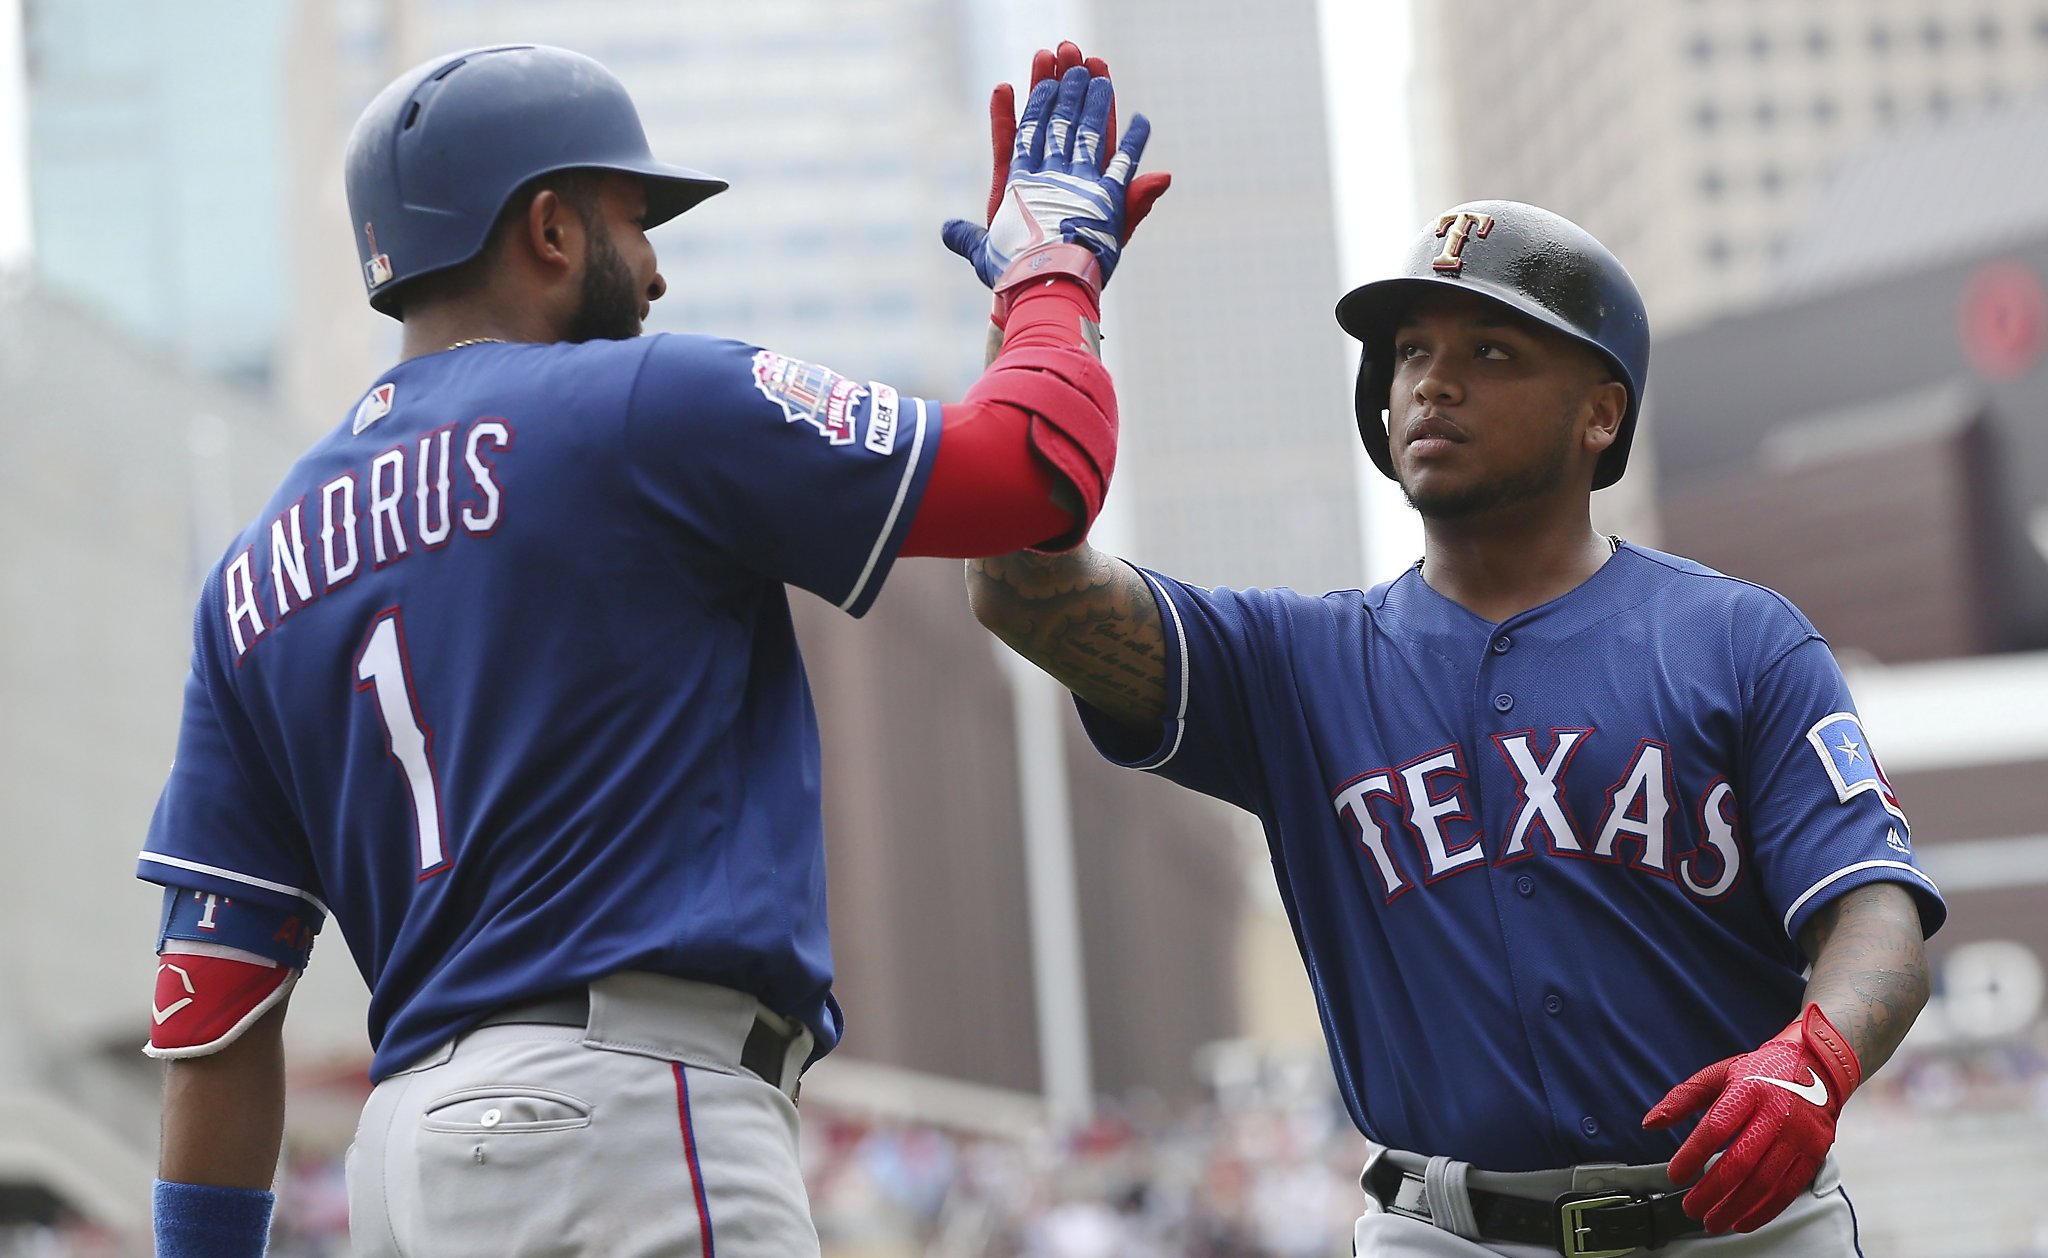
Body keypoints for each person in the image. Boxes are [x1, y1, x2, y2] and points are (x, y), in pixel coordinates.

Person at [137, 43, 1158, 1258]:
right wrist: (1049, 276)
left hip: (401, 1169)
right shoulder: (636, 405)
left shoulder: (252, 572)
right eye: (635, 221)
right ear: (553, 230)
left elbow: (216, 1007)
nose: (659, 270)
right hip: (624, 1117)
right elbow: (1037, 465)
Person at [963, 198, 1945, 1256]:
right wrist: (1042, 301)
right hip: (1444, 1233)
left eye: (1488, 348)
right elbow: (1022, 585)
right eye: (1408, 353)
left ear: (1598, 413)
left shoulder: (1738, 638)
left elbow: (1874, 915)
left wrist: (1813, 1058)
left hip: (1741, 1227)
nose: (1431, 380)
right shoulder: (1295, 664)